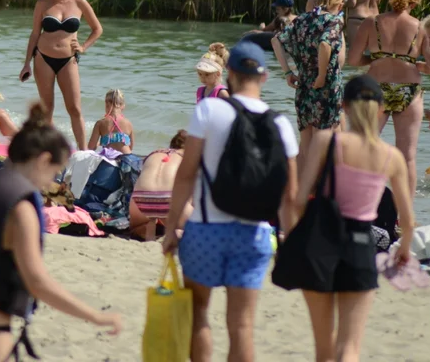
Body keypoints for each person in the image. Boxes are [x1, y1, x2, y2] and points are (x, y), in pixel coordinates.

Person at [0, 103, 122, 360]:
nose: (51, 181)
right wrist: (94, 316)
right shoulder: (20, 207)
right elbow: (37, 281)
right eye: (54, 172)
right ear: (43, 160)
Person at [162, 41, 299, 362]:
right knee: (242, 326)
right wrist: (287, 239)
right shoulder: (280, 124)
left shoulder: (209, 110)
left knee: (199, 314)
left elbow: (185, 174)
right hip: (255, 235)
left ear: (231, 74)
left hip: (205, 230)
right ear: (264, 77)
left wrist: (170, 228)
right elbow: (290, 195)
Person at [289, 75, 414, 362]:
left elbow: (299, 199)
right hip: (360, 249)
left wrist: (297, 233)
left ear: (343, 106)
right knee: (349, 348)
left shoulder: (326, 141)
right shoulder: (391, 156)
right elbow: (406, 221)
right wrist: (403, 252)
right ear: (381, 109)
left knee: (323, 350)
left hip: (322, 246)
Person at [348, 0, 430, 195]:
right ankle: (404, 214)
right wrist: (417, 64)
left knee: (365, 146)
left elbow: (353, 59)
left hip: (375, 88)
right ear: (414, 3)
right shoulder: (420, 27)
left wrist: (374, 61)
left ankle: (360, 201)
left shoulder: (371, 22)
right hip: (409, 90)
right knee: (407, 156)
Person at [19, 0, 103, 150]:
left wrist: (83, 47)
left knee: (75, 108)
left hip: (68, 60)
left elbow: (97, 29)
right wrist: (26, 64)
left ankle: (83, 153)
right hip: (43, 58)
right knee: (47, 108)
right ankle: (47, 151)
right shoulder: (42, 4)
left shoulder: (79, 3)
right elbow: (35, 34)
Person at [273, 0, 347, 162]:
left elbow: (275, 41)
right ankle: (327, 186)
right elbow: (324, 45)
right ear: (339, 2)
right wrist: (322, 75)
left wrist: (288, 72)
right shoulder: (334, 20)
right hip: (327, 87)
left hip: (304, 84)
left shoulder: (302, 19)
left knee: (306, 141)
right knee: (329, 142)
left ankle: (304, 187)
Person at [130, 132, 189, 241]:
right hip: (168, 200)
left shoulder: (155, 153)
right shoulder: (186, 156)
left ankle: (149, 227)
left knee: (139, 224)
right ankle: (177, 229)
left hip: (141, 199)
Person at [87, 88, 134, 154]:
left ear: (106, 104)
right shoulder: (128, 123)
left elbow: (91, 147)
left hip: (109, 159)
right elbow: (131, 147)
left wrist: (98, 145)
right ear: (123, 105)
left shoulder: (100, 123)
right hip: (126, 158)